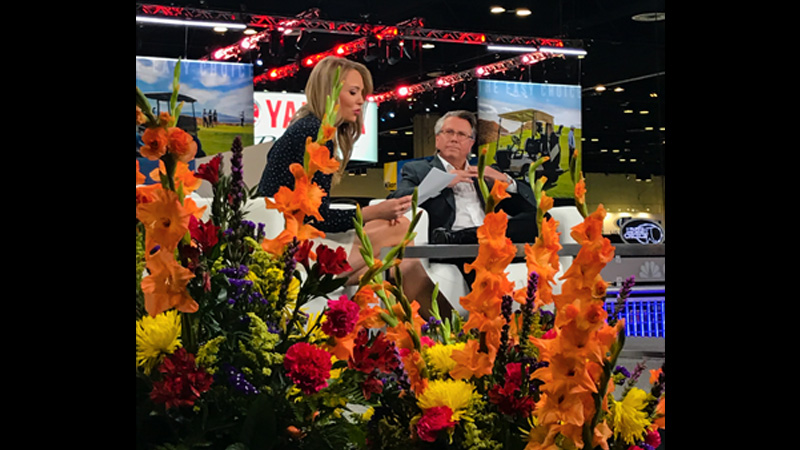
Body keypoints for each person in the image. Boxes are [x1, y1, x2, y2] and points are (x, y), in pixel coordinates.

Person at [257, 56, 439, 316]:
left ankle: (422, 323)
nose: (361, 100)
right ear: (330, 93)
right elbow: (318, 217)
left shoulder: (306, 127)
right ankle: (431, 324)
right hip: (292, 241)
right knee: (397, 231)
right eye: (353, 92)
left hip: (294, 233)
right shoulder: (316, 134)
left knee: (398, 254)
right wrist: (375, 211)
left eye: (362, 93)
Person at [388, 110, 539, 284]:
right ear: (438, 139)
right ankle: (456, 238)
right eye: (449, 132)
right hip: (452, 245)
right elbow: (396, 200)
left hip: (488, 239)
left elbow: (531, 204)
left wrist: (506, 180)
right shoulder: (417, 169)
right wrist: (441, 182)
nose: (454, 139)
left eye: (461, 134)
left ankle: (470, 236)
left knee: (541, 219)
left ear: (470, 144)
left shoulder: (485, 173)